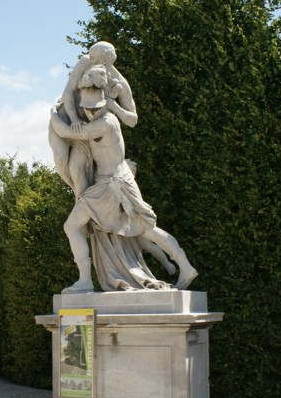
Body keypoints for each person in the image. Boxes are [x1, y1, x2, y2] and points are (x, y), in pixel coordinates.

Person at [49, 81, 198, 293]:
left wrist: (54, 113)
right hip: (119, 183)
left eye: (94, 109)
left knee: (72, 226)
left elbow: (64, 131)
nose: (90, 113)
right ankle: (185, 265)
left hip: (108, 187)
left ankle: (85, 281)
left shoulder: (103, 124)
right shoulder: (109, 119)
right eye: (88, 109)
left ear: (102, 106)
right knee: (146, 230)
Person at [49, 41, 138, 199]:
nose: (88, 59)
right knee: (60, 160)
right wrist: (73, 119)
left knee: (76, 168)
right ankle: (82, 200)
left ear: (105, 59)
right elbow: (67, 93)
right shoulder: (85, 62)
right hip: (67, 117)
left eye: (92, 57)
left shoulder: (120, 84)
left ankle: (84, 201)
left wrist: (114, 106)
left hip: (87, 128)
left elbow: (132, 120)